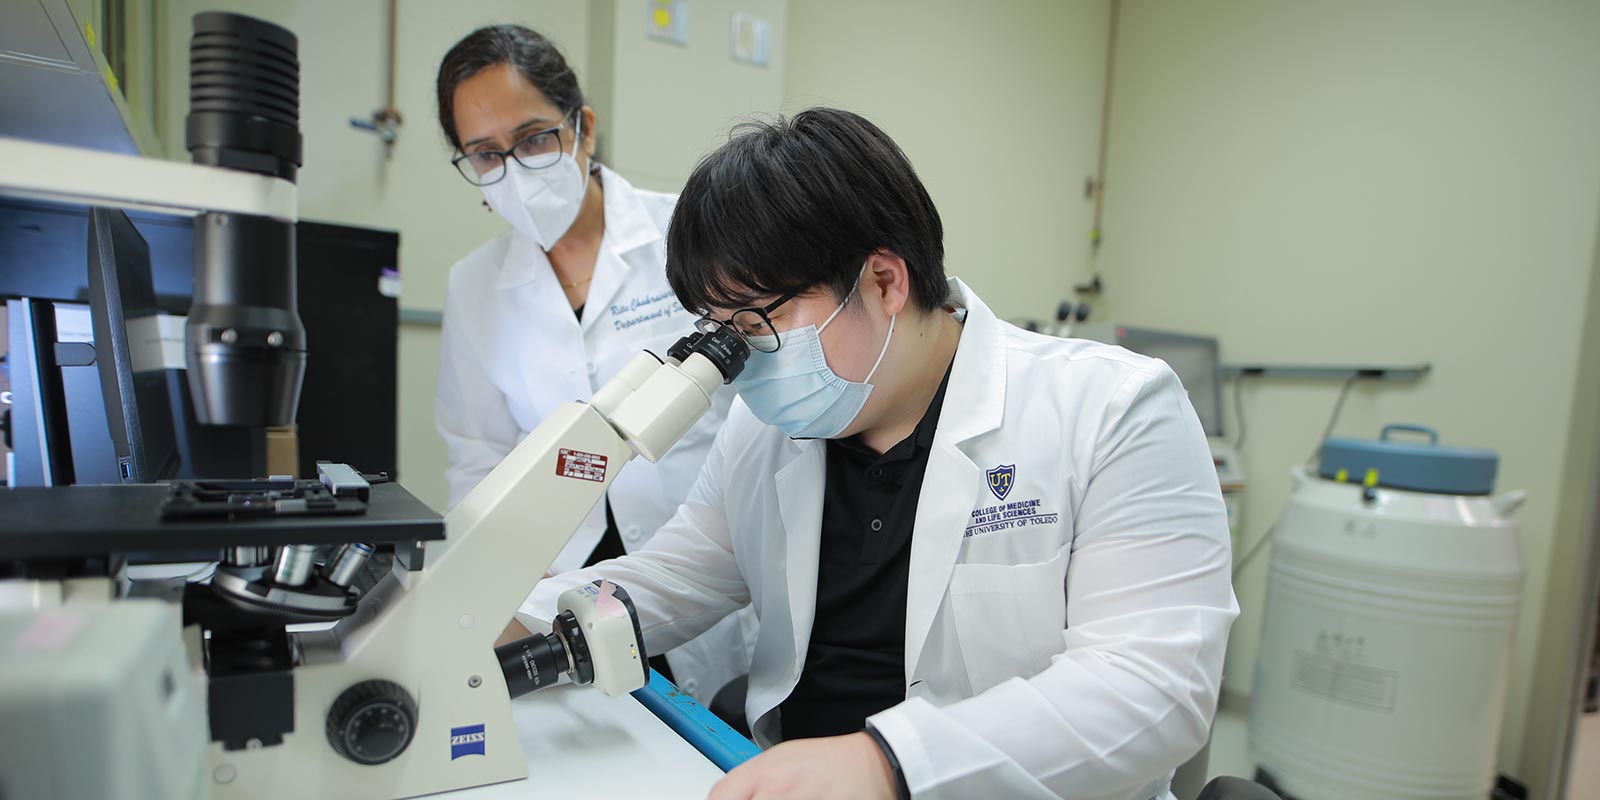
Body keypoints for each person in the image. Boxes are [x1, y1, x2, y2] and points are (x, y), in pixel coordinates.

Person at [518, 107, 1239, 800]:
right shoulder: (762, 429)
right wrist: (502, 615)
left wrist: (893, 766)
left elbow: (1154, 686)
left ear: (886, 281)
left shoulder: (1112, 408)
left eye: (756, 322)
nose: (740, 358)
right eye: (718, 326)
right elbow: (677, 574)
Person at [432, 24, 748, 704]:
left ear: (584, 129)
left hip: (703, 561)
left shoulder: (691, 234)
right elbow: (478, 457)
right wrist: (480, 593)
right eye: (486, 155)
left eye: (535, 138)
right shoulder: (473, 285)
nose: (513, 169)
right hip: (560, 577)